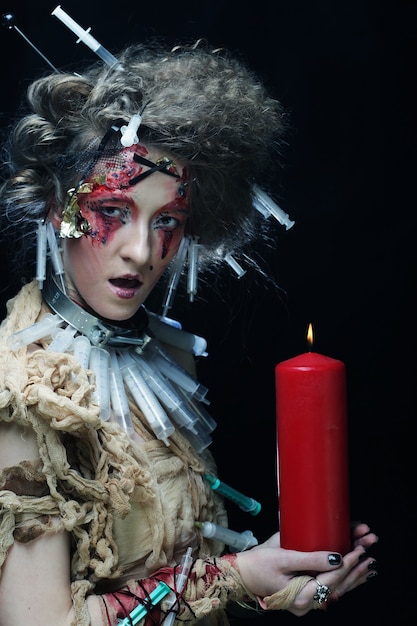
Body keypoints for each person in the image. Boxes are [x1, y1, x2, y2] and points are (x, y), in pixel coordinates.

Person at [0, 36, 378, 626]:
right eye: (114, 212)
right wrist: (234, 578)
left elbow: (189, 560)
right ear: (59, 208)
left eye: (167, 221)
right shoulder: (21, 392)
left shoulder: (170, 355)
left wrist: (274, 580)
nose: (142, 251)